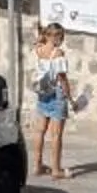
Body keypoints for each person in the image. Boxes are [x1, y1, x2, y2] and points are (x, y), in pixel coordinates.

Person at [30, 22, 72, 179]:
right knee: (56, 135)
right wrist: (71, 98)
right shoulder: (58, 53)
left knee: (40, 131)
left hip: (43, 92)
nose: (62, 39)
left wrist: (41, 35)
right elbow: (62, 78)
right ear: (56, 36)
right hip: (57, 94)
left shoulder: (39, 50)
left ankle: (38, 165)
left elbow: (38, 42)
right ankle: (56, 169)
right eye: (61, 36)